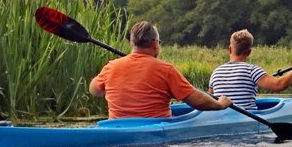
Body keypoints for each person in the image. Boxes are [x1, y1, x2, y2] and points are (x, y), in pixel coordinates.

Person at [89, 21, 232, 118]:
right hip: (155, 129)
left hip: (116, 128)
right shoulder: (166, 69)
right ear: (155, 43)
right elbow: (197, 101)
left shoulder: (111, 66)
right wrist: (220, 104)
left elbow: (95, 91)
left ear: (132, 43)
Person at [208, 29, 292, 111]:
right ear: (249, 52)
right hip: (246, 119)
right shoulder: (252, 70)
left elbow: (209, 99)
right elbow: (279, 85)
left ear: (229, 49)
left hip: (220, 116)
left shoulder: (216, 72)